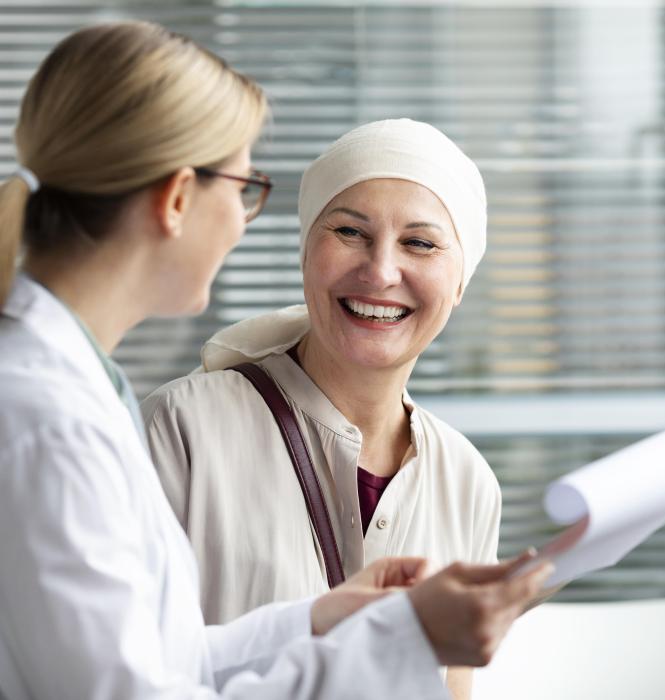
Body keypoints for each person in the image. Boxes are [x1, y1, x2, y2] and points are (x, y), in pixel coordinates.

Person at [0, 20, 552, 700]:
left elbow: (161, 656)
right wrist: (394, 641)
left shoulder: (71, 392)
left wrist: (323, 618)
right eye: (242, 187)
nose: (242, 219)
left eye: (422, 244)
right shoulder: (56, 418)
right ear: (177, 198)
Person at [142, 118, 500, 698]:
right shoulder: (183, 429)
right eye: (350, 232)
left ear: (460, 280)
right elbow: (122, 667)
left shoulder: (467, 482)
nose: (381, 270)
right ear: (306, 247)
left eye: (421, 242)